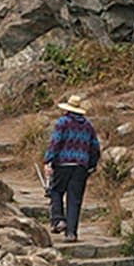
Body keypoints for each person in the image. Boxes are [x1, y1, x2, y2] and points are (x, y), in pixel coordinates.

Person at [43, 94, 100, 241]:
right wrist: (91, 165)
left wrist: (48, 160)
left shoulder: (63, 122)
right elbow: (95, 147)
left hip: (63, 163)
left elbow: (55, 143)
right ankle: (71, 233)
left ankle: (58, 220)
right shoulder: (88, 126)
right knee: (74, 199)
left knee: (55, 191)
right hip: (81, 166)